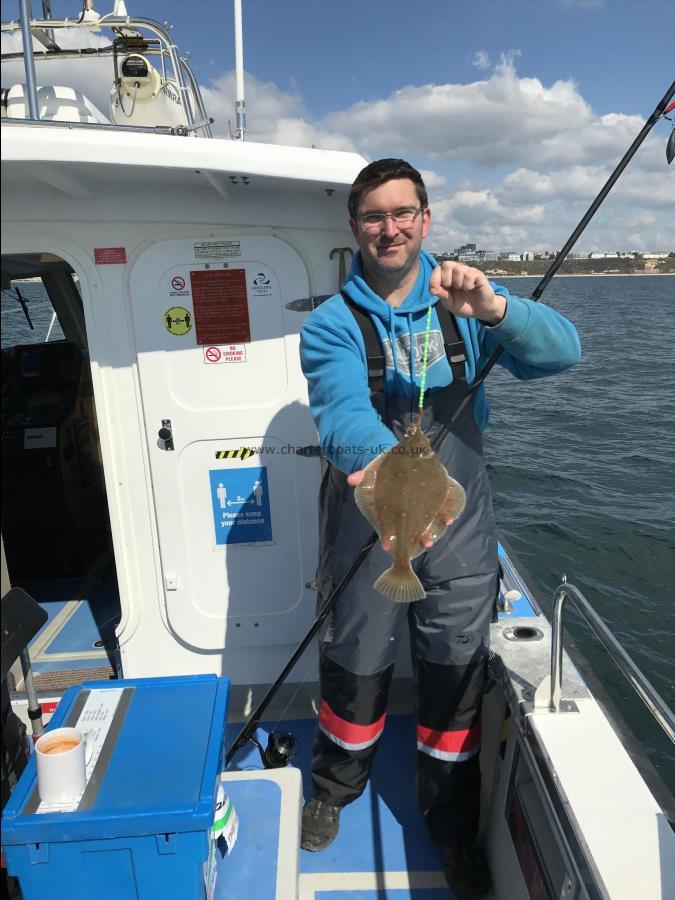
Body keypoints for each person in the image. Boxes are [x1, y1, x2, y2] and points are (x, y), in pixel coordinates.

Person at [299, 158, 580, 898]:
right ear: (353, 226)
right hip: (371, 519)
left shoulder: (462, 302)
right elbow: (340, 411)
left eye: (402, 213)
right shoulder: (332, 323)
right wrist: (374, 467)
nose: (387, 228)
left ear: (425, 219)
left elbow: (562, 353)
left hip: (457, 524)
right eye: (372, 216)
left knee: (452, 670)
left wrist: (496, 311)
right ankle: (335, 783)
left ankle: (449, 823)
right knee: (354, 653)